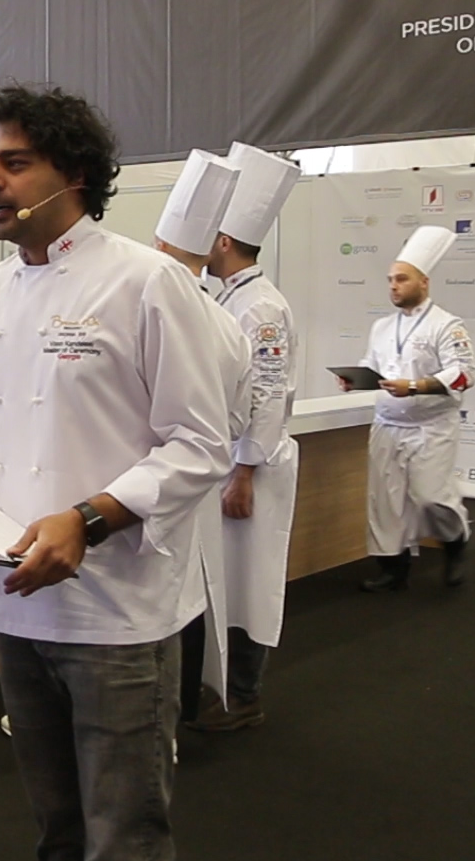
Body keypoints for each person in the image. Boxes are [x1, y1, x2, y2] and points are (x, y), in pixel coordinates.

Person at [0, 84, 232, 861]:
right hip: (20, 605)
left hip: (118, 613)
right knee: (57, 829)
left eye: (14, 163)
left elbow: (201, 443)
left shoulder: (146, 282)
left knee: (124, 835)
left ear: (73, 174)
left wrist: (90, 518)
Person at [194, 142, 303, 731]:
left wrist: (244, 472)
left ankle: (244, 695)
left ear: (224, 242)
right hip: (233, 464)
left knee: (250, 584)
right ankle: (221, 690)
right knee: (226, 584)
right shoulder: (232, 298)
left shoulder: (259, 308)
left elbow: (266, 394)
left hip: (252, 468)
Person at [150, 150, 252, 735]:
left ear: (161, 244)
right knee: (192, 592)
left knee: (158, 602)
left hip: (149, 484)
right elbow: (239, 416)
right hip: (202, 481)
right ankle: (185, 707)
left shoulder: (151, 303)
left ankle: (162, 715)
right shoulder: (227, 323)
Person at [354, 224, 475, 591]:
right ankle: (393, 568)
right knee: (385, 502)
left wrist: (415, 386)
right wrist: (355, 379)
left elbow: (464, 374)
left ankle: (455, 541)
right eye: (391, 280)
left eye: (402, 279)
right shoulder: (381, 327)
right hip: (387, 424)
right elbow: (372, 366)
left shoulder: (447, 326)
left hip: (430, 426)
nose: (393, 286)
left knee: (430, 498)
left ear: (424, 282)